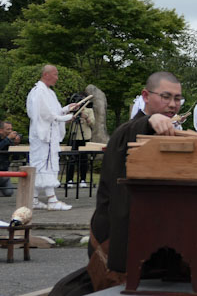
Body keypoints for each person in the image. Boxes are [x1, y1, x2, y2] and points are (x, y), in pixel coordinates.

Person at [49, 71, 180, 296]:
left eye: (177, 99)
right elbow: (131, 132)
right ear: (146, 96)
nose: (172, 104)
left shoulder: (167, 133)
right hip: (114, 232)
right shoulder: (128, 130)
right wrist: (150, 120)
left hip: (149, 233)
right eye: (165, 97)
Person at [26, 65, 78, 210]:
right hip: (43, 137)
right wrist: (64, 118)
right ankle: (52, 200)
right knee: (44, 164)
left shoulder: (48, 92)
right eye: (55, 74)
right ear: (46, 74)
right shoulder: (39, 92)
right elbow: (45, 114)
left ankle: (34, 199)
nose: (57, 77)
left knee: (42, 165)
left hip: (48, 137)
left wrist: (67, 109)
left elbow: (54, 112)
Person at [65, 93, 95, 189]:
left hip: (84, 137)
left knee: (83, 159)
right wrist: (70, 117)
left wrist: (85, 116)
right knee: (71, 159)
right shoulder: (71, 111)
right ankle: (69, 179)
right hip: (73, 136)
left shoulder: (88, 110)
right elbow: (64, 122)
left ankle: (82, 179)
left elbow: (93, 123)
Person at [0, 121, 22, 197]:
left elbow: (16, 158)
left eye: (11, 129)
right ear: (1, 130)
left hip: (5, 173)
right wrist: (8, 139)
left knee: (9, 192)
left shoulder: (9, 141)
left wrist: (16, 145)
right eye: (8, 129)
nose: (10, 131)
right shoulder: (7, 140)